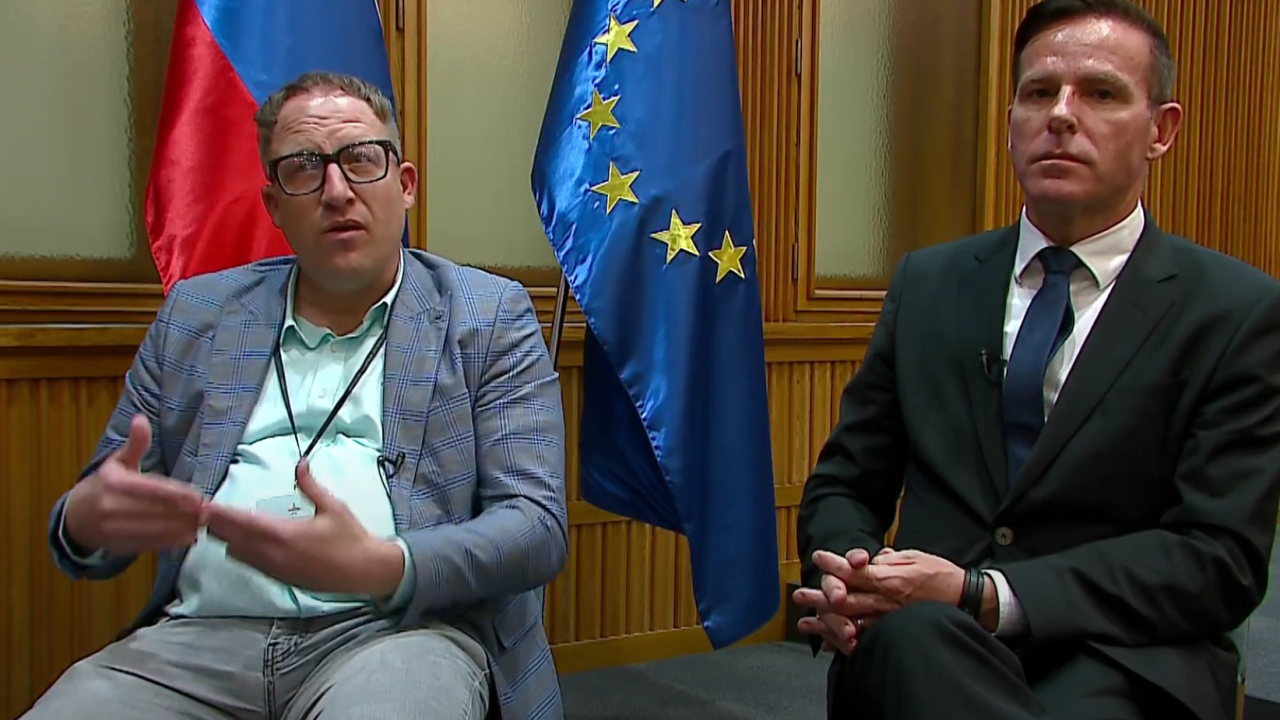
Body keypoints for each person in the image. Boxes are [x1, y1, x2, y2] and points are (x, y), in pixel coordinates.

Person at [21, 71, 568, 720]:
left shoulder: (487, 315)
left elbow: (535, 526)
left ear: (405, 184)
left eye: (361, 159)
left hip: (399, 633)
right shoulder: (197, 315)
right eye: (304, 169)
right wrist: (84, 521)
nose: (336, 191)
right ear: (275, 205)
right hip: (200, 641)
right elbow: (99, 512)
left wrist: (385, 566)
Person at [793, 1, 1280, 719]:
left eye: (1101, 93)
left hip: (1124, 656)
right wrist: (848, 575)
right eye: (1039, 92)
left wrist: (984, 594)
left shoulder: (1235, 311)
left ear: (1161, 130)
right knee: (916, 641)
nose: (1061, 115)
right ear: (1011, 120)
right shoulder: (929, 284)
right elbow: (845, 482)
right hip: (926, 639)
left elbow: (1219, 559)